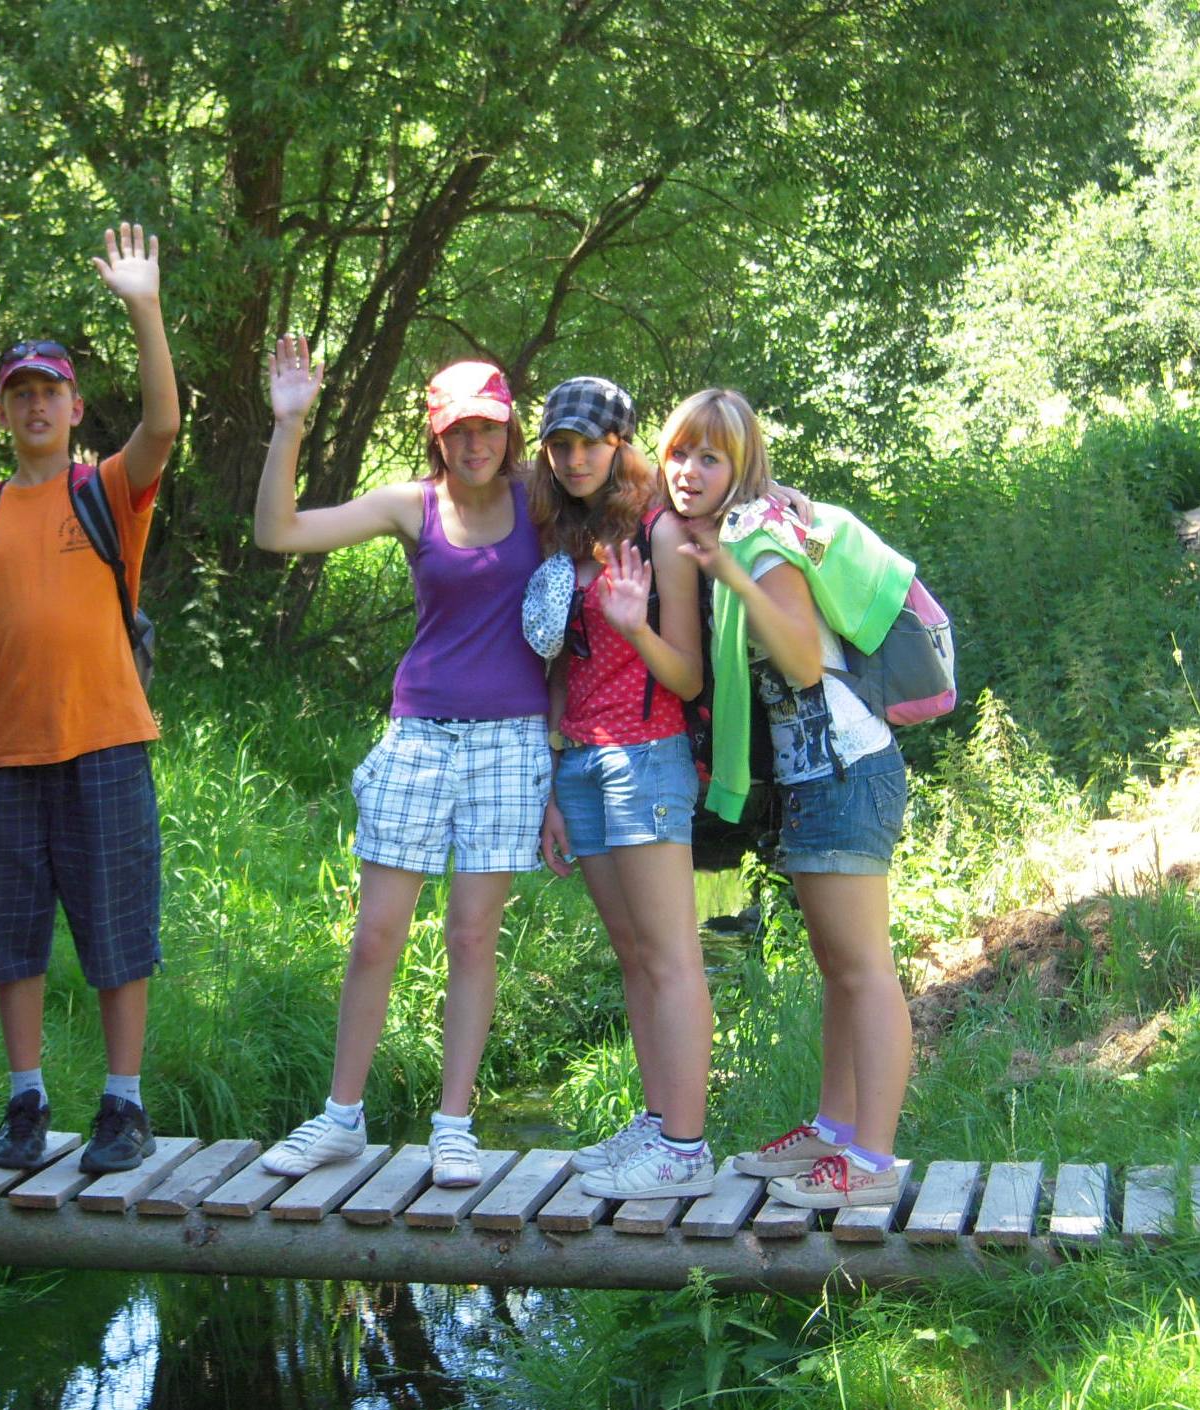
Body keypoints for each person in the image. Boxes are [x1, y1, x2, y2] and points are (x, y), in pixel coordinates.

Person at [254, 336, 550, 1188]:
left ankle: (453, 1128)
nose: (474, 443)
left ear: (510, 430)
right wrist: (290, 423)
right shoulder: (410, 504)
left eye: (488, 427)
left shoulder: (540, 498)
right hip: (419, 737)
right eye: (459, 430)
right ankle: (340, 1118)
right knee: (377, 933)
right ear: (437, 435)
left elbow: (637, 493)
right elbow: (277, 531)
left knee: (472, 935)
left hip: (513, 742)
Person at [0, 223, 179, 1175]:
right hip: (0, 758)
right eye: (20, 392)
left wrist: (143, 305)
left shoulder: (105, 490)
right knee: (12, 939)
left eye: (50, 391)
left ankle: (124, 1105)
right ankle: (26, 1099)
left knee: (118, 929)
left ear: (76, 406)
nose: (35, 404)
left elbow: (163, 425)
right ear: (4, 410)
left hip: (105, 741)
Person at [664, 388, 912, 1209]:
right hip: (814, 780)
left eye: (710, 458)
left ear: (741, 466)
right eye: (678, 454)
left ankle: (872, 1162)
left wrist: (732, 571)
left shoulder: (759, 540)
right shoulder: (747, 524)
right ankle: (834, 1131)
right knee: (837, 966)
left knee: (865, 969)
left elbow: (804, 661)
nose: (689, 471)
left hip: (845, 770)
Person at [523, 376, 717, 1200]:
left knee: (671, 957)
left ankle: (687, 1148)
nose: (573, 460)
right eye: (559, 446)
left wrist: (636, 626)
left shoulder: (658, 532)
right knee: (634, 955)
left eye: (588, 445)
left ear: (620, 447)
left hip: (647, 759)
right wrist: (550, 782)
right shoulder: (561, 535)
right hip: (580, 762)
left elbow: (687, 674)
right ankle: (657, 1119)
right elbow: (561, 667)